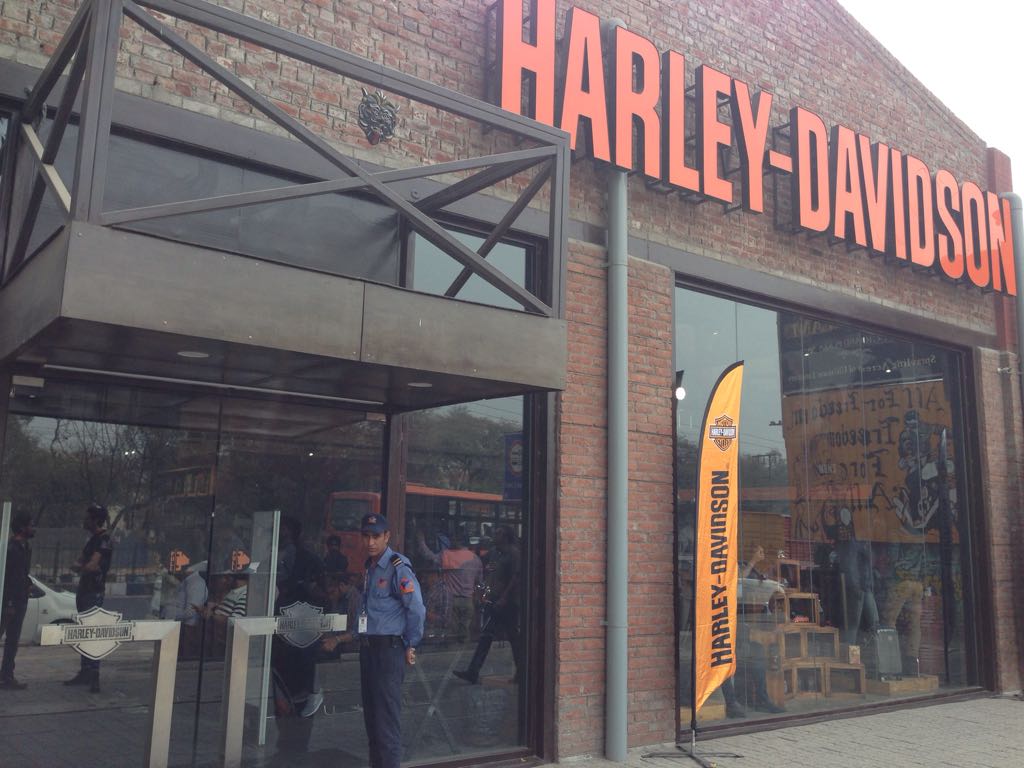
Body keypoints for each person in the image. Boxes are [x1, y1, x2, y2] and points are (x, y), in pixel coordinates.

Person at [358, 512, 425, 768]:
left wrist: (411, 643)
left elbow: (416, 608)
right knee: (372, 721)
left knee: (386, 723)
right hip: (368, 650)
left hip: (389, 651)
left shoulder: (398, 566)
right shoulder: (369, 567)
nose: (370, 542)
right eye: (366, 536)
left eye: (376, 536)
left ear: (387, 536)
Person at [453, 525, 521, 685]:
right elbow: (482, 564)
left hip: (508, 603)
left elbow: (515, 578)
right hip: (495, 600)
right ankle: (473, 671)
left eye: (498, 533)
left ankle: (521, 671)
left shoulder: (513, 553)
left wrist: (504, 598)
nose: (494, 536)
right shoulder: (495, 552)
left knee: (513, 638)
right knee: (487, 636)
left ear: (505, 536)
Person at [64, 503, 113, 694]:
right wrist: (83, 566)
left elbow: (90, 565)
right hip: (85, 590)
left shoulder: (104, 539)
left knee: (92, 632)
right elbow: (80, 563)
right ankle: (86, 672)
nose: (84, 520)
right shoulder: (92, 540)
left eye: (87, 517)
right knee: (85, 632)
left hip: (94, 591)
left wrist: (82, 567)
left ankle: (94, 674)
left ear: (95, 519)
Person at [416, 527, 483, 642]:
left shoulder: (447, 555)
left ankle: (454, 652)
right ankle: (464, 651)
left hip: (451, 601)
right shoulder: (475, 559)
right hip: (468, 601)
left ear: (456, 540)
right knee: (464, 634)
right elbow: (479, 581)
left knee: (453, 634)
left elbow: (428, 556)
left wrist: (421, 540)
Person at [1, 512, 35, 690]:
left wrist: (27, 584)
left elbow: (22, 574)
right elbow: (8, 577)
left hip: (19, 599)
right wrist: (9, 603)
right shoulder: (12, 548)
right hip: (11, 601)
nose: (33, 528)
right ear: (22, 527)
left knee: (13, 640)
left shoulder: (25, 547)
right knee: (9, 638)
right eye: (30, 525)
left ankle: (6, 675)